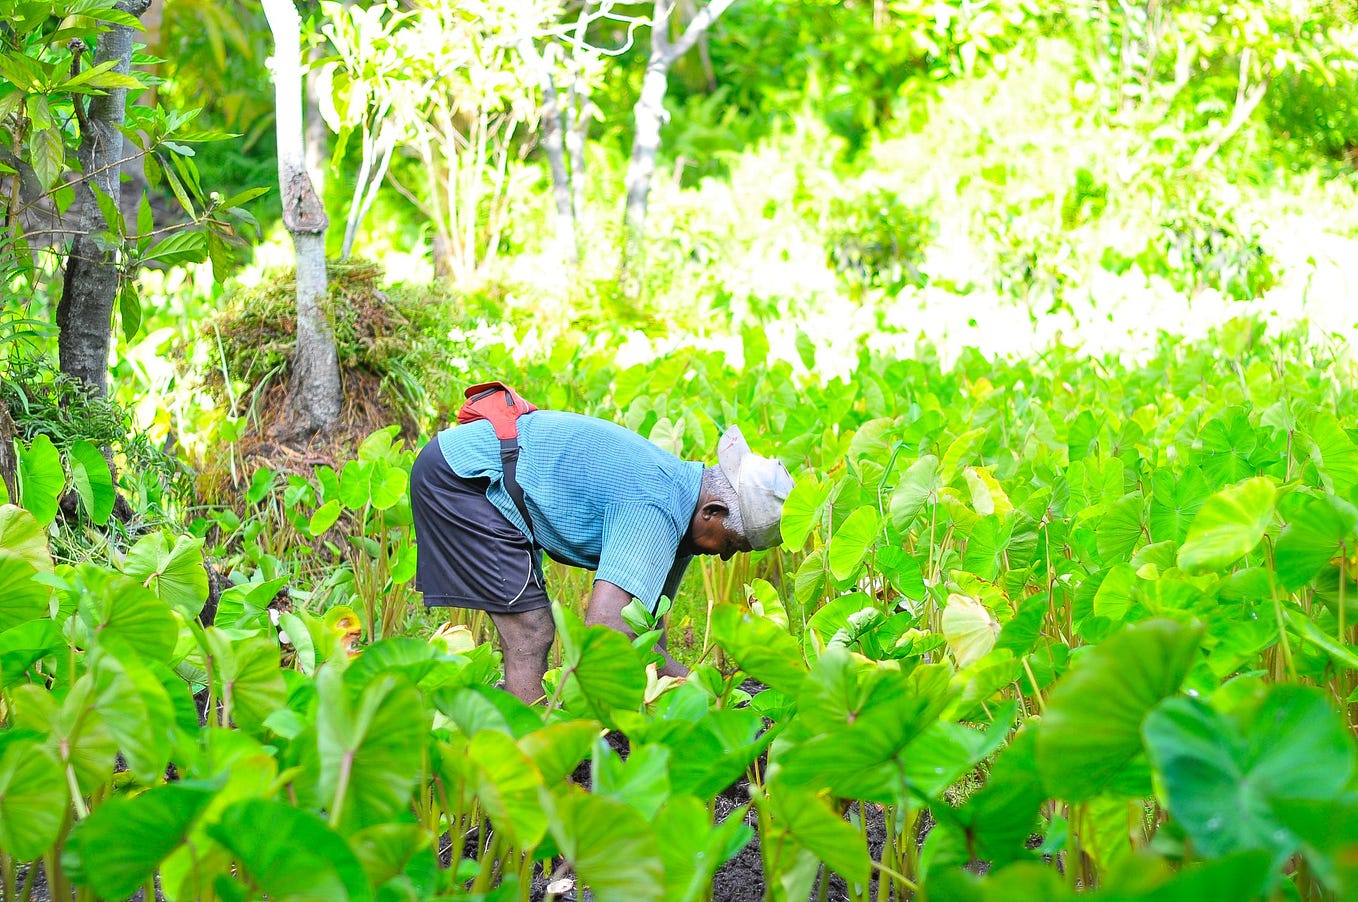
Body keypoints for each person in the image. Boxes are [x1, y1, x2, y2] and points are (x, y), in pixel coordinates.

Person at [409, 404, 793, 704]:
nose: (725, 558)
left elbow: (643, 631)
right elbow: (608, 630)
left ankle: (519, 727)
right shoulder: (658, 505)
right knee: (532, 631)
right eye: (731, 545)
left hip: (491, 475)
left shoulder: (684, 508)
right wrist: (701, 687)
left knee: (534, 631)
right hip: (466, 478)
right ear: (713, 512)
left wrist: (692, 690)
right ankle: (533, 765)